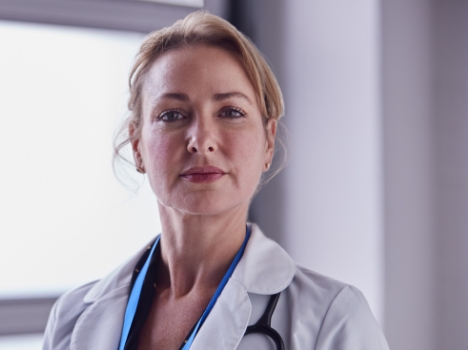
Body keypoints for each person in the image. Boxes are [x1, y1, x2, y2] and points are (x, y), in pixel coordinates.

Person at [42, 11, 389, 350]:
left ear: (267, 143)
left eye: (230, 112)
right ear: (137, 147)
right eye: (172, 115)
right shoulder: (72, 317)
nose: (201, 140)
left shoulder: (332, 318)